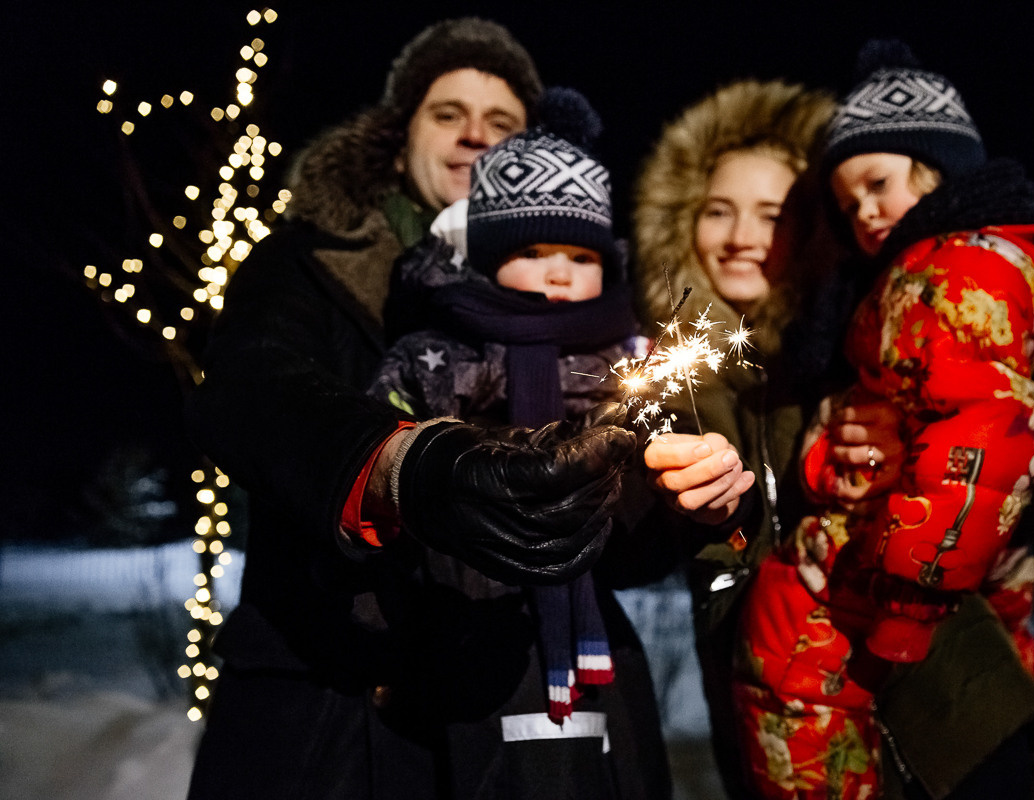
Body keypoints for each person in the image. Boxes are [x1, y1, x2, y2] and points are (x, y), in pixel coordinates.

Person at [184, 20, 650, 800]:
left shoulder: (592, 304)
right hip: (333, 706)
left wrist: (680, 501)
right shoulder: (310, 257)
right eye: (447, 112)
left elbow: (631, 545)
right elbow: (248, 386)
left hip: (534, 699)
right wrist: (399, 464)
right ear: (398, 139)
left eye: (502, 123)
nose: (474, 133)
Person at [732, 40, 1034, 799]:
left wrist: (909, 602)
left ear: (941, 168)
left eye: (880, 183)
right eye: (847, 198)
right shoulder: (930, 282)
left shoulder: (946, 277)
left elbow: (996, 437)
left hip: (906, 598)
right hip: (934, 592)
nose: (864, 210)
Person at [363, 86, 673, 797]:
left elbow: (646, 512)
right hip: (465, 618)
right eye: (533, 249)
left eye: (580, 253)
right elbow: (383, 451)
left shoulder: (626, 362)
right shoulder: (442, 355)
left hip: (593, 620)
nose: (560, 271)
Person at [632, 79, 874, 799]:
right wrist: (699, 517)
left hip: (893, 701)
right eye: (717, 211)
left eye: (772, 215)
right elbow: (640, 550)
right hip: (748, 708)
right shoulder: (663, 377)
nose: (741, 238)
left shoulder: (863, 348)